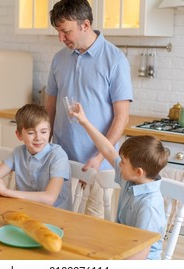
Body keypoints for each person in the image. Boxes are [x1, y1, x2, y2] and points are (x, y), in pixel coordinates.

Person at [45, 0, 133, 217]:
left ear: (85, 25)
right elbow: (50, 107)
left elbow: (122, 116)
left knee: (92, 232)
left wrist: (100, 157)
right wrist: (45, 147)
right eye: (58, 32)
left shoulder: (115, 60)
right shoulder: (59, 59)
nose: (61, 38)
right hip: (61, 162)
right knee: (57, 221)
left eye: (66, 31)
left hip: (96, 165)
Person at [72, 103, 169, 260]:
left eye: (122, 162)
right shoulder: (132, 179)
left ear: (138, 172)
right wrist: (84, 121)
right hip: (122, 250)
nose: (119, 164)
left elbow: (140, 255)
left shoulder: (149, 207)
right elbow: (108, 149)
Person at [0, 104, 72, 210]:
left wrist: (6, 192)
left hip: (56, 216)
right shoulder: (18, 152)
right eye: (31, 132)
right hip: (26, 210)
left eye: (43, 132)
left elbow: (49, 198)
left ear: (49, 131)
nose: (38, 138)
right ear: (19, 135)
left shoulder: (58, 156)